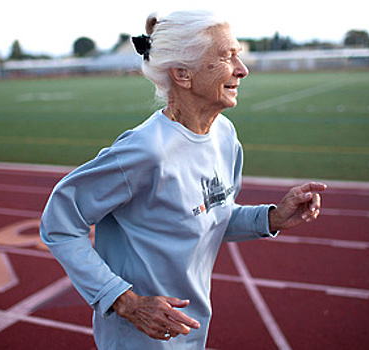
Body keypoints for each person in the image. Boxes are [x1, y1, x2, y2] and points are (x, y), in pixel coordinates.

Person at [40, 10, 327, 349]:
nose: (242, 69)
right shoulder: (145, 152)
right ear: (182, 75)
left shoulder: (225, 136)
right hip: (138, 340)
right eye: (225, 57)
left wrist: (271, 217)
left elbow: (209, 214)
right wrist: (125, 301)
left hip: (192, 331)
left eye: (238, 55)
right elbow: (59, 222)